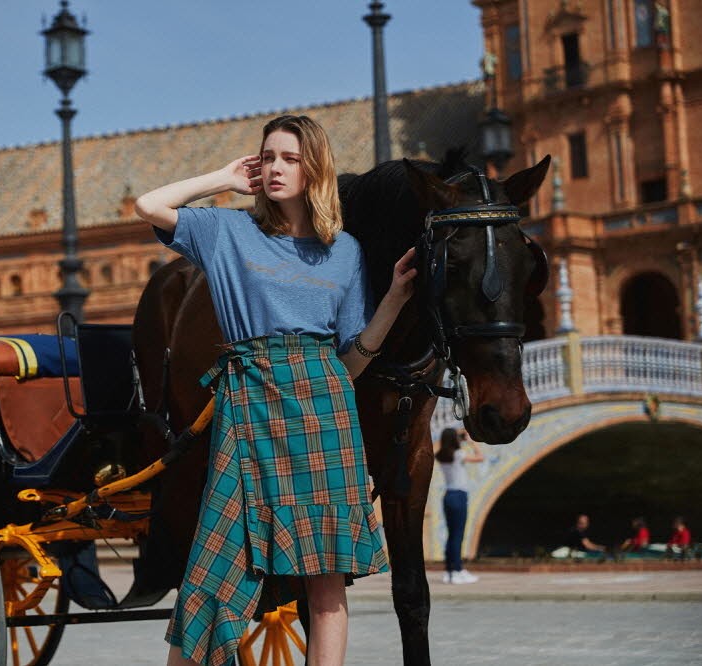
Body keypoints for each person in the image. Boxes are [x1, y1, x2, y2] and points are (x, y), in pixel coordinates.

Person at [135, 114, 417, 666]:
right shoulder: (228, 232)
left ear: (316, 169)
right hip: (250, 405)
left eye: (290, 158)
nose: (276, 168)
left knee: (326, 581)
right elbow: (150, 205)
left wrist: (393, 302)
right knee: (211, 572)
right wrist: (222, 178)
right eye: (268, 158)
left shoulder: (345, 252)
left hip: (326, 412)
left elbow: (350, 362)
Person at [435, 428, 484, 584]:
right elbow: (480, 457)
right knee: (458, 535)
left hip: (448, 496)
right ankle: (457, 570)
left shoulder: (441, 456)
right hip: (459, 496)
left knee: (451, 535)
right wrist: (470, 441)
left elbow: (450, 448)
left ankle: (449, 571)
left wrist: (458, 440)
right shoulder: (459, 454)